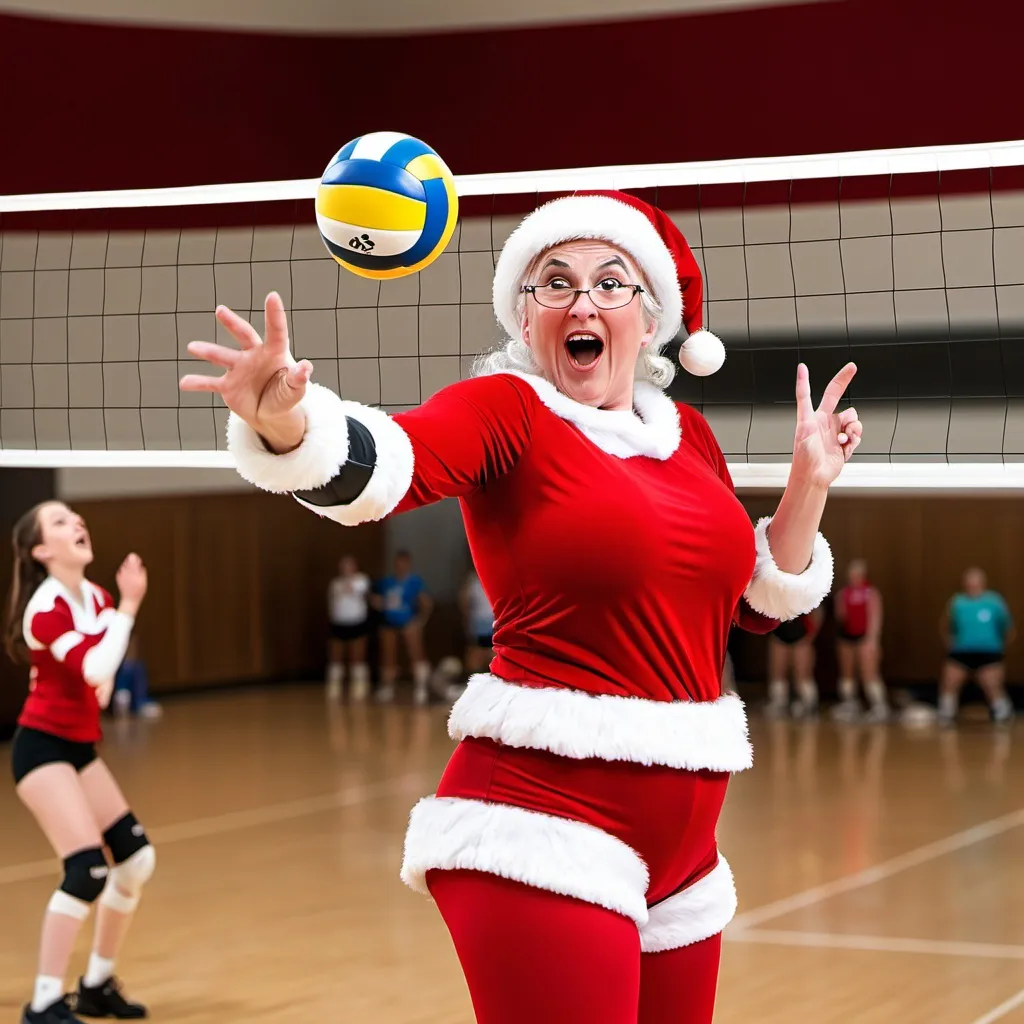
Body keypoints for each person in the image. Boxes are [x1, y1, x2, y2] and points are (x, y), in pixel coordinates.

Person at [181, 189, 860, 1023]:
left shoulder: (687, 436)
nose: (582, 301)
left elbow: (756, 606)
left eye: (612, 283)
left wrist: (808, 485)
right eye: (554, 283)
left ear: (650, 321)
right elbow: (389, 465)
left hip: (686, 848)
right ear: (526, 317)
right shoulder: (506, 410)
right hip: (542, 824)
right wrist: (289, 428)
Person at [3, 502, 155, 1024]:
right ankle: (44, 1001)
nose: (77, 523)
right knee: (87, 870)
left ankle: (95, 985)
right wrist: (131, 606)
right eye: (61, 522)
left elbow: (102, 672)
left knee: (135, 860)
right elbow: (94, 666)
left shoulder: (96, 596)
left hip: (79, 746)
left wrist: (113, 634)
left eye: (76, 517)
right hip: (40, 748)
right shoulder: (44, 610)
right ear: (42, 550)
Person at [938, 567, 1015, 726]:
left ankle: (1002, 711)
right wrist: (950, 643)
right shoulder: (957, 602)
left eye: (976, 581)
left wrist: (1001, 647)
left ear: (983, 583)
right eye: (969, 581)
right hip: (962, 651)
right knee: (950, 680)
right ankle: (946, 712)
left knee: (991, 683)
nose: (972, 585)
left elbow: (1008, 628)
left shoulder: (994, 601)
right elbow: (945, 625)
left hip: (989, 651)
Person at [371, 551, 433, 705]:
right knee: (388, 654)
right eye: (398, 563)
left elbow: (426, 602)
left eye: (404, 563)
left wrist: (419, 621)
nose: (401, 566)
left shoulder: (414, 582)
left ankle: (421, 687)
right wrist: (377, 602)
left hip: (408, 623)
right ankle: (388, 687)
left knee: (416, 652)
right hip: (389, 623)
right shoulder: (387, 582)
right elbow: (375, 598)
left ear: (408, 564)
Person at [832, 559, 888, 722]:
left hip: (865, 637)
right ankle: (849, 704)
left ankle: (879, 706)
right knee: (847, 671)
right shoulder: (843, 594)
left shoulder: (871, 593)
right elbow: (840, 616)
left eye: (857, 574)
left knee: (869, 672)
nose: (854, 577)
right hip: (847, 637)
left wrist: (872, 640)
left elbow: (875, 616)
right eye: (851, 574)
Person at [325, 555, 372, 701]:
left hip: (356, 622)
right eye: (343, 566)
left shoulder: (362, 580)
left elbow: (361, 592)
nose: (346, 569)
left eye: (349, 565)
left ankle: (359, 685)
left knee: (357, 656)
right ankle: (334, 686)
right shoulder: (335, 583)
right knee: (336, 656)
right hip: (339, 623)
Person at [764, 608, 824, 718]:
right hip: (779, 634)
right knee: (777, 671)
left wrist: (809, 638)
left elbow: (817, 614)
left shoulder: (806, 592)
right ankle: (779, 702)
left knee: (802, 674)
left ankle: (808, 704)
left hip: (801, 634)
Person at [459, 569, 494, 678]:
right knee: (475, 657)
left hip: (495, 624)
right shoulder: (472, 579)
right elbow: (463, 601)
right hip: (478, 625)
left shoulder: (499, 575)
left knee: (493, 655)